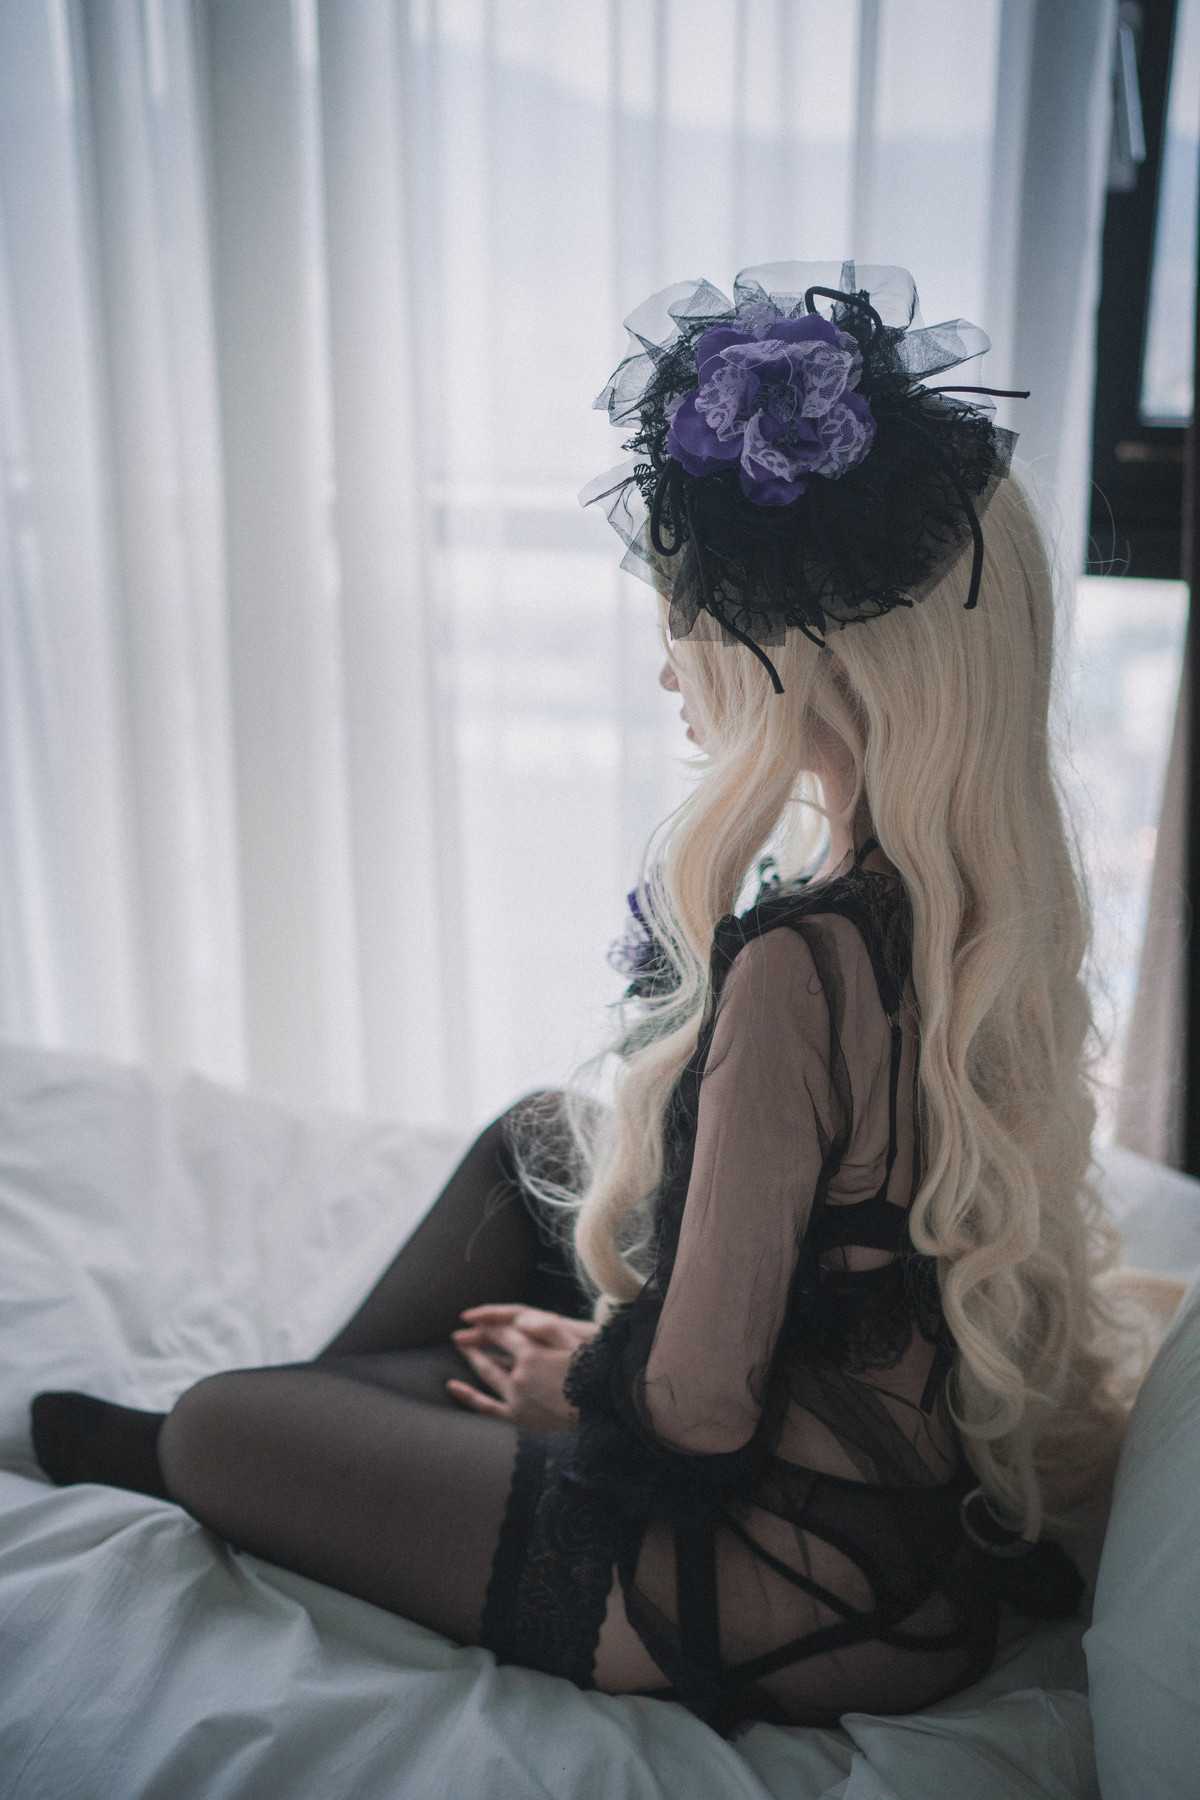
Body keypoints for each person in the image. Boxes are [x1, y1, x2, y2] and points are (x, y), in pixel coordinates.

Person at [28, 263, 1151, 1742]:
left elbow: (698, 1411)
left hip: (776, 1589)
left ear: (806, 662)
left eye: (688, 614)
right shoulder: (973, 914)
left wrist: (583, 1383)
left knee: (226, 1424)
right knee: (537, 1138)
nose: (667, 655)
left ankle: (289, 1437)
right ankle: (357, 1427)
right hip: (905, 1551)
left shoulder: (801, 963)